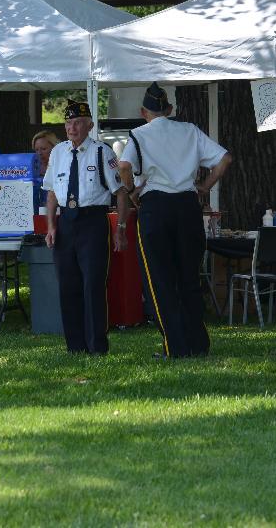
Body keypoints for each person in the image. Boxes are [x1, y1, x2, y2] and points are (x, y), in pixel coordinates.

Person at [117, 84, 232, 358]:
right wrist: (205, 186)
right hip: (187, 205)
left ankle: (175, 346)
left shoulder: (138, 135)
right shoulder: (189, 130)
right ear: (169, 109)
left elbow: (124, 166)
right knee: (189, 277)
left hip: (156, 205)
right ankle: (198, 344)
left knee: (160, 279)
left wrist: (131, 191)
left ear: (143, 112)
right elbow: (225, 159)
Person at [43, 101, 128, 355]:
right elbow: (51, 193)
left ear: (89, 125)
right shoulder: (58, 152)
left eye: (78, 123)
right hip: (66, 222)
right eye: (68, 123)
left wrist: (120, 228)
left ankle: (96, 345)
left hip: (93, 222)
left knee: (93, 284)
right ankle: (75, 345)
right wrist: (51, 226)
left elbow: (120, 193)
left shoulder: (102, 152)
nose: (72, 128)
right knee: (67, 284)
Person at [32, 129, 60, 207]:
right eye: (36, 150)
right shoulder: (32, 168)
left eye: (43, 149)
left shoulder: (62, 167)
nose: (39, 153)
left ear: (54, 147)